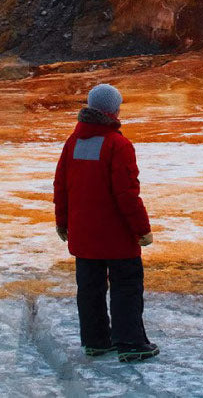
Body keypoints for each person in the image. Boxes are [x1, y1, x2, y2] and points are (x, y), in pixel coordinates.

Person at [54, 83, 159, 363]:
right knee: (126, 287)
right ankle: (131, 343)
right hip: (116, 237)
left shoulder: (73, 143)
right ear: (112, 110)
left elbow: (61, 186)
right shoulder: (117, 144)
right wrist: (142, 229)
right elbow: (126, 194)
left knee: (90, 289)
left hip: (84, 235)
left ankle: (96, 341)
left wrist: (62, 223)